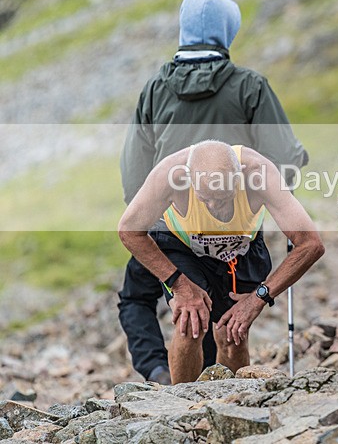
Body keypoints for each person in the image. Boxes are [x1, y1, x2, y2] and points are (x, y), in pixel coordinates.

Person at [118, 0, 308, 384]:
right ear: (228, 31)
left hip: (169, 222)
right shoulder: (249, 86)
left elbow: (134, 166)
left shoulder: (156, 89)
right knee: (219, 318)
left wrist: (153, 214)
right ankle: (207, 392)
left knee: (144, 300)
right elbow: (285, 159)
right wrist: (270, 193)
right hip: (232, 228)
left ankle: (159, 376)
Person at [118, 141, 324, 384]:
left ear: (239, 180)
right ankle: (182, 407)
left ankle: (233, 405)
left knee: (233, 333)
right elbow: (128, 230)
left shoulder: (259, 173)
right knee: (191, 320)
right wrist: (180, 285)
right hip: (183, 243)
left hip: (241, 244)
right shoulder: (170, 174)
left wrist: (260, 297)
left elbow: (311, 244)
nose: (214, 207)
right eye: (206, 199)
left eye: (223, 199)